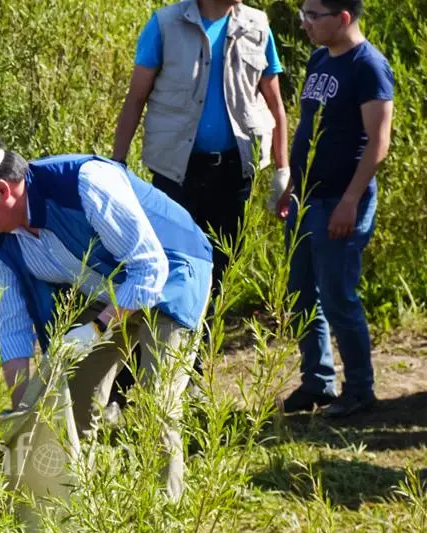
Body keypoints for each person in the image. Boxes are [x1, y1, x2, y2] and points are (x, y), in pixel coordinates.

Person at [0, 137, 213, 500]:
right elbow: (13, 329)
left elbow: (148, 268)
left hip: (174, 274)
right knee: (67, 399)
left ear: (2, 189)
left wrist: (97, 327)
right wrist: (26, 415)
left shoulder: (84, 183)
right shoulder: (4, 245)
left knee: (155, 405)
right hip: (109, 294)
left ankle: (162, 512)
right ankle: (70, 508)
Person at [112, 0, 289, 304]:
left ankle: (202, 346)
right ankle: (169, 346)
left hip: (235, 172)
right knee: (174, 264)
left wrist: (283, 170)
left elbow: (276, 105)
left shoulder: (257, 25)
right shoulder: (165, 24)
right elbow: (135, 99)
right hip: (177, 172)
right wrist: (115, 165)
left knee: (222, 263)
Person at [278, 0, 393, 417]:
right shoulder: (318, 59)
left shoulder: (369, 66)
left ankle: (360, 390)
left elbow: (377, 143)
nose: (304, 23)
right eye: (303, 13)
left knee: (338, 296)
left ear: (343, 17)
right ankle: (318, 382)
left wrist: (349, 200)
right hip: (307, 196)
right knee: (302, 292)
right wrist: (291, 185)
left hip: (341, 201)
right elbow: (309, 128)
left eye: (313, 15)